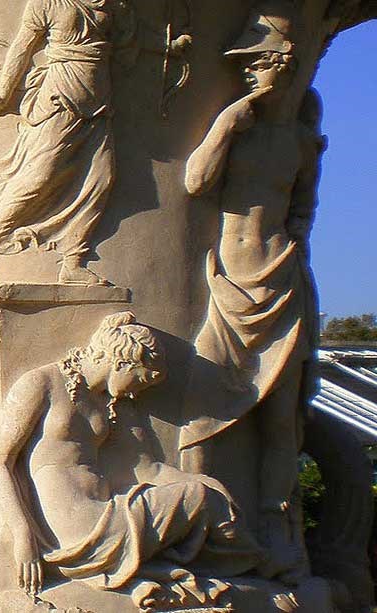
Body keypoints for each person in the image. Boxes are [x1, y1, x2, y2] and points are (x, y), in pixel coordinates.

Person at [0, 312, 265, 610]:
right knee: (197, 497)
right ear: (121, 364)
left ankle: (243, 560)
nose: (138, 390)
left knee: (202, 491)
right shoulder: (43, 383)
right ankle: (255, 561)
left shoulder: (111, 404)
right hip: (73, 526)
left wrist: (201, 481)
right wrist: (22, 532)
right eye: (140, 379)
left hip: (107, 511)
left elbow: (147, 468)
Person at [180, 1, 322, 577]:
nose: (247, 70)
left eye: (257, 62)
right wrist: (226, 121)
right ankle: (195, 519)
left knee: (280, 417)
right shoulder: (238, 126)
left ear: (283, 64)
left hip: (283, 281)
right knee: (202, 406)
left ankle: (275, 527)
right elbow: (196, 180)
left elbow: (303, 214)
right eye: (242, 63)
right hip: (230, 284)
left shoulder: (302, 143)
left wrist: (293, 260)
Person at [0, 0, 131, 286]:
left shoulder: (112, 6)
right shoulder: (49, 3)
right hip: (60, 98)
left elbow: (130, 44)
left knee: (100, 180)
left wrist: (169, 46)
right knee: (38, 178)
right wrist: (2, 95)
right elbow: (22, 47)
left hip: (99, 103)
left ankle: (73, 262)